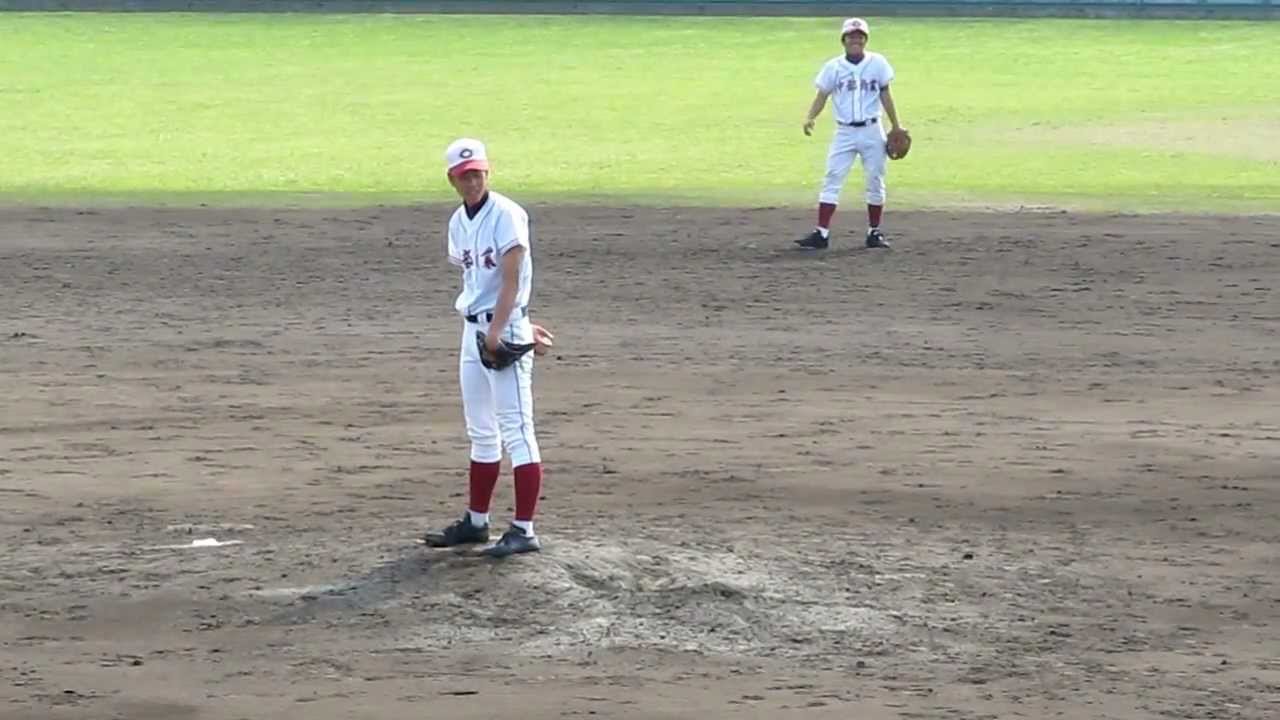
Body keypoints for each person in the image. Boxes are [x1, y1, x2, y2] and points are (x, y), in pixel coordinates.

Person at [423, 137, 555, 558]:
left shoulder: (507, 215)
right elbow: (476, 280)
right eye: (465, 176)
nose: (473, 181)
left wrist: (505, 329)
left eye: (478, 174)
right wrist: (501, 326)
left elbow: (512, 279)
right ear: (452, 179)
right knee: (481, 430)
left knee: (517, 431)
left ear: (488, 172)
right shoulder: (458, 222)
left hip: (500, 330)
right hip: (472, 330)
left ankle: (524, 530)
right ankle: (476, 522)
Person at [795, 17, 903, 251]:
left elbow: (886, 94)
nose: (856, 40)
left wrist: (896, 125)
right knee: (832, 178)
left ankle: (874, 232)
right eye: (851, 36)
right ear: (843, 40)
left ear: (865, 40)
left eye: (860, 36)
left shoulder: (878, 63)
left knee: (875, 180)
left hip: (872, 130)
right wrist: (811, 117)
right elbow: (822, 95)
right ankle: (821, 234)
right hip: (844, 132)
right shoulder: (833, 67)